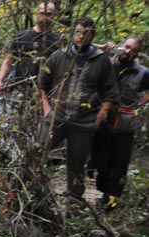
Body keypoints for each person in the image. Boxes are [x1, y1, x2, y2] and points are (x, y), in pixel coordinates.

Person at [38, 17, 119, 199]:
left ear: (93, 36)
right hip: (56, 117)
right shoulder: (59, 56)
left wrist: (100, 116)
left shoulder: (102, 60)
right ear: (73, 33)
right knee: (38, 152)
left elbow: (110, 93)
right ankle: (31, 193)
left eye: (86, 33)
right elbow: (42, 83)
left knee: (76, 168)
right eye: (78, 32)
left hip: (84, 123)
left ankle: (74, 205)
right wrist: (47, 109)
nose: (81, 37)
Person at [91, 38, 149, 210]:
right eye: (126, 47)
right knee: (100, 159)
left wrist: (139, 103)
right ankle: (101, 191)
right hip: (101, 119)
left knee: (119, 163)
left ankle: (111, 201)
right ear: (120, 45)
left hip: (124, 124)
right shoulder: (104, 62)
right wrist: (103, 48)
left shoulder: (141, 72)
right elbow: (82, 47)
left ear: (137, 54)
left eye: (133, 51)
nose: (128, 52)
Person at [0, 3, 63, 94]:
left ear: (54, 16)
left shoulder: (58, 39)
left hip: (48, 91)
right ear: (37, 14)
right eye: (42, 13)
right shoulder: (22, 36)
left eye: (48, 14)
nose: (45, 17)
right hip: (22, 88)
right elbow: (9, 60)